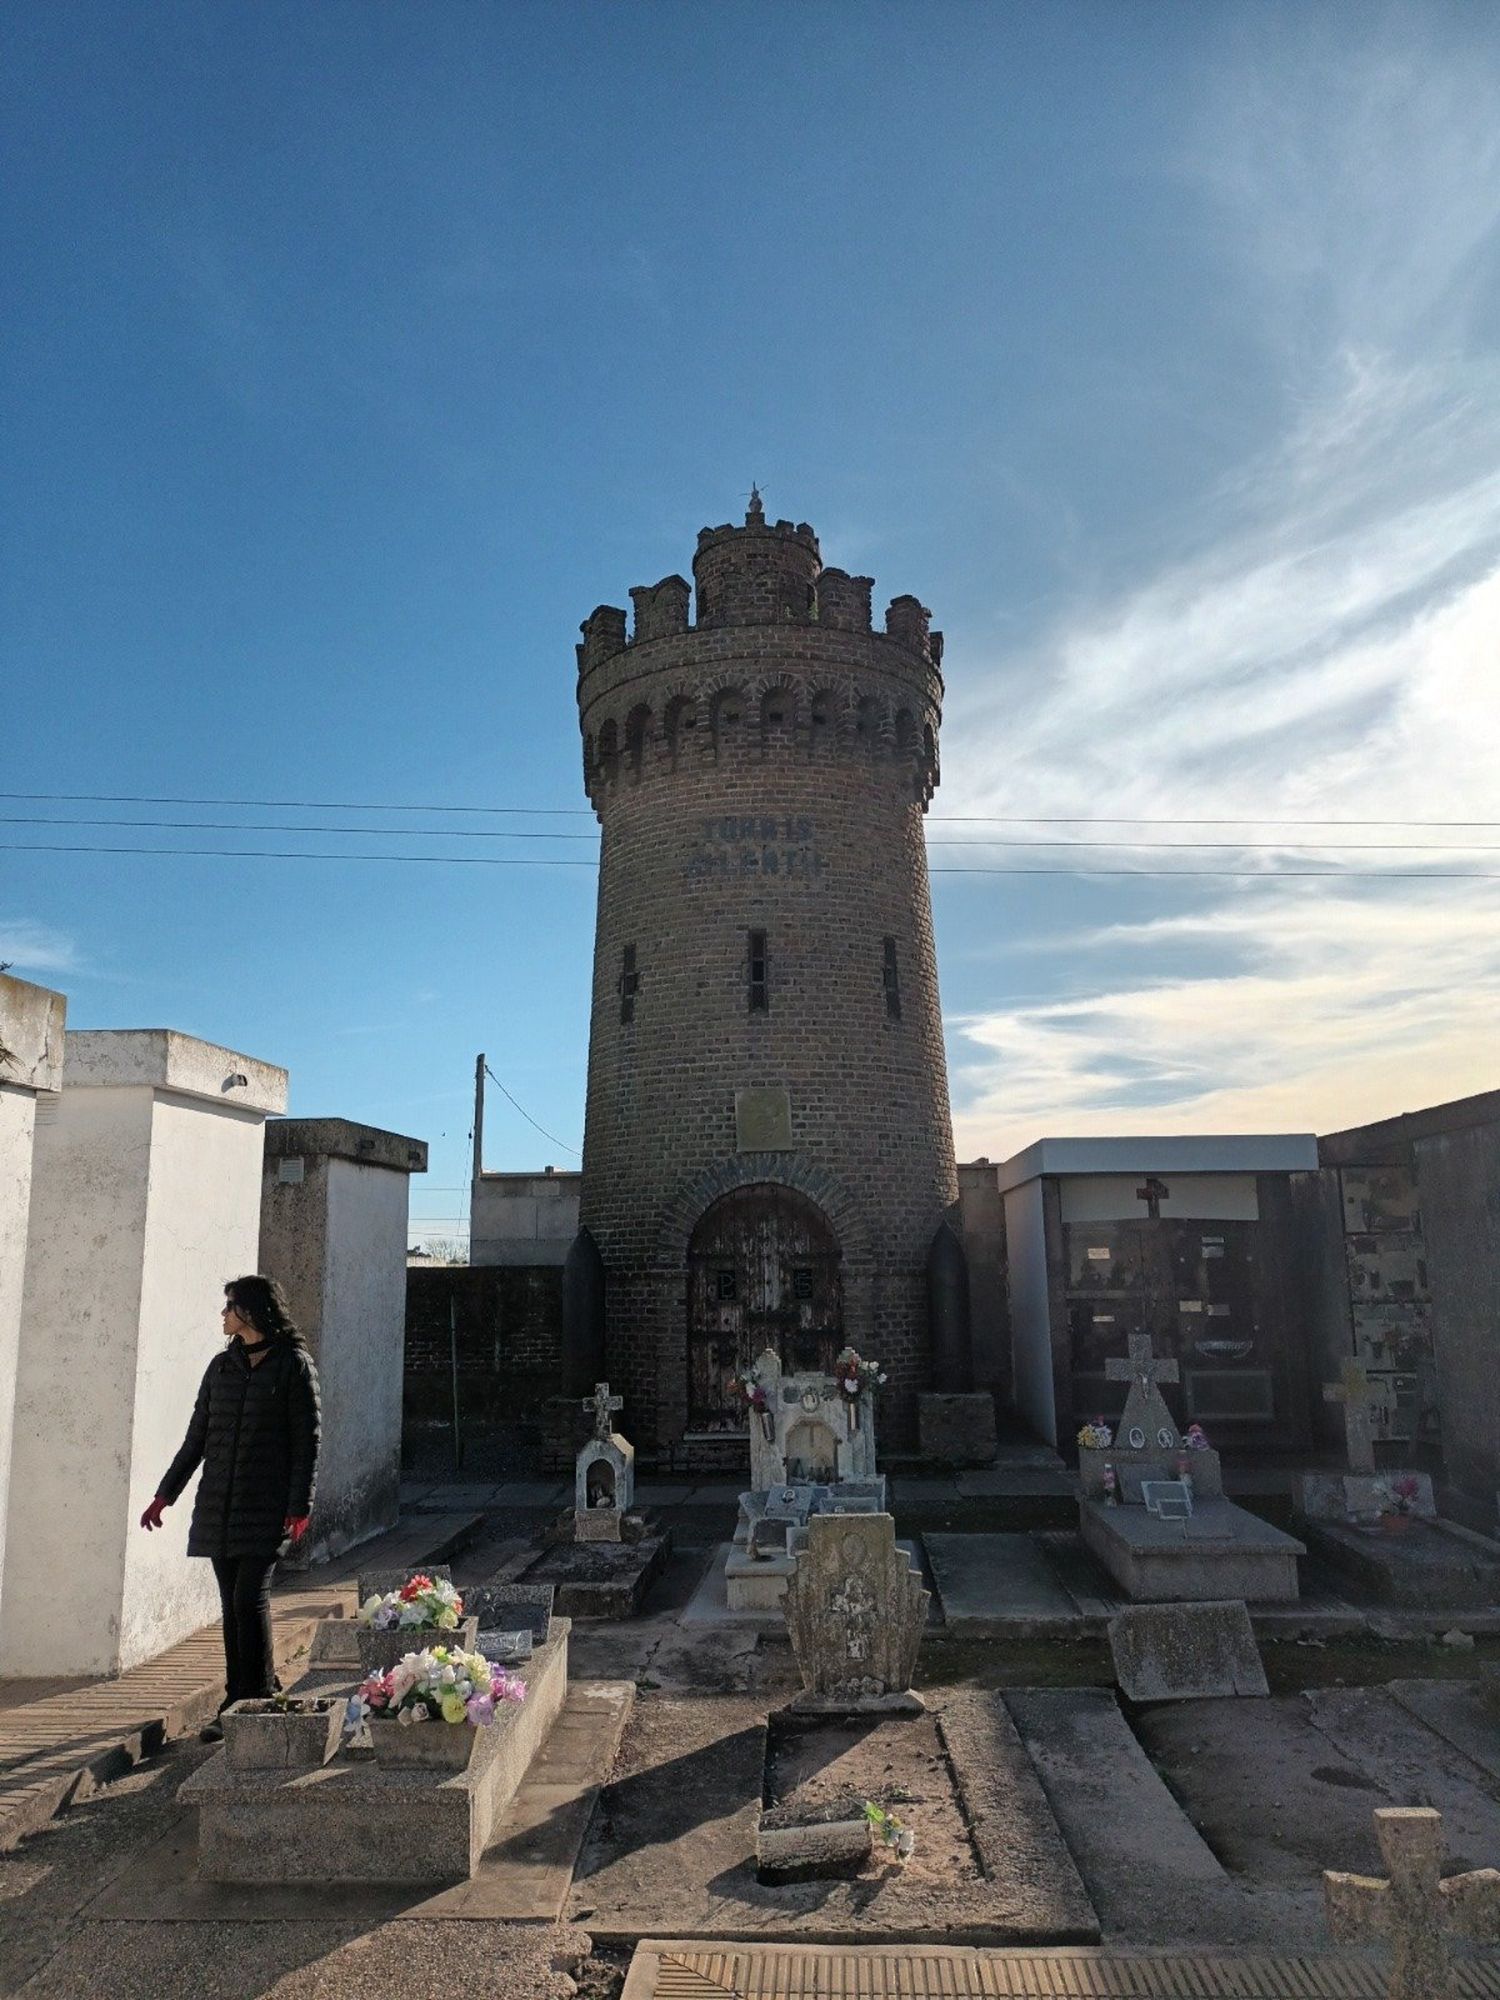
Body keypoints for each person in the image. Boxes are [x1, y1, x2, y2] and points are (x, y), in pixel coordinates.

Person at [140, 1275, 321, 1741]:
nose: (222, 1315)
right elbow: (196, 1438)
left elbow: (307, 1444)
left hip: (269, 1506)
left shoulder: (293, 1367)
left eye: (229, 1307)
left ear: (250, 1312)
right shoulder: (221, 1368)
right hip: (220, 1505)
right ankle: (238, 1696)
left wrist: (300, 1505)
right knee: (231, 1604)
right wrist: (165, 1494)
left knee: (249, 1597)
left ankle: (254, 1697)